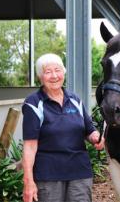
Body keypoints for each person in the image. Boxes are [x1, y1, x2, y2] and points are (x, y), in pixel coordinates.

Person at [22, 53, 104, 202]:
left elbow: (89, 129)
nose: (54, 76)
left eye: (58, 70)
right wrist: (28, 181)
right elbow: (30, 146)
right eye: (48, 72)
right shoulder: (33, 103)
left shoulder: (74, 100)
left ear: (63, 72)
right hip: (48, 176)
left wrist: (95, 137)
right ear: (40, 76)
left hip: (79, 172)